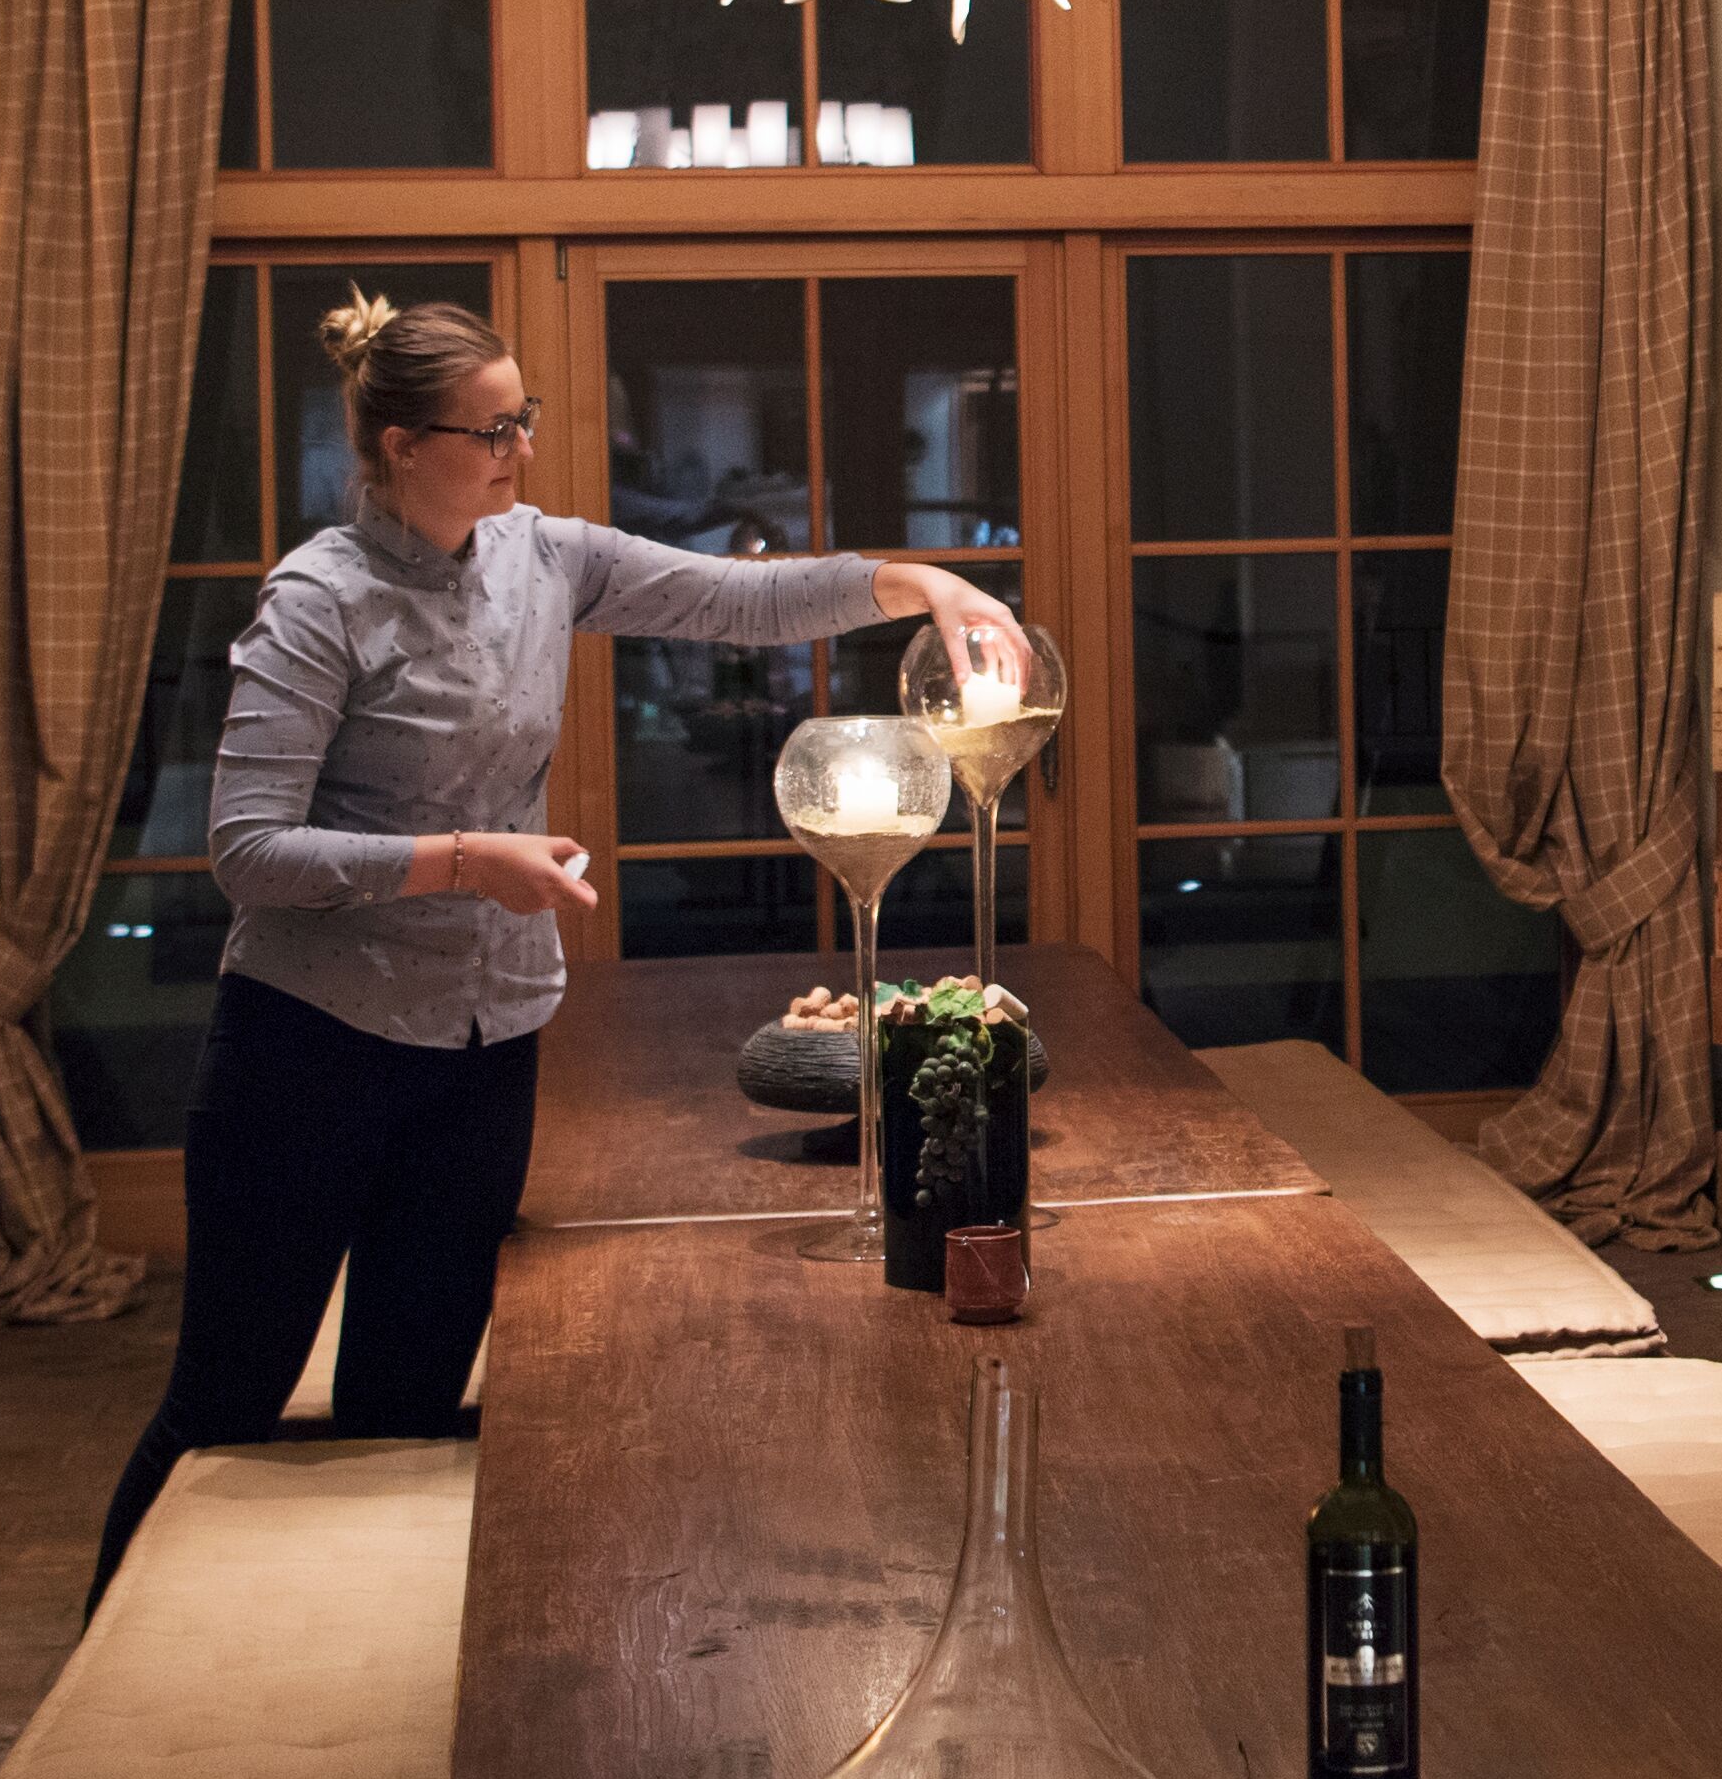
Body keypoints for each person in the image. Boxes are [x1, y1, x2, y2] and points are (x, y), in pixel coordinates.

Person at [89, 288, 1028, 1593]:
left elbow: (739, 601)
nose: (522, 449)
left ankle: (369, 1662)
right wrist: (465, 861)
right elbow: (246, 850)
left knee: (414, 1403)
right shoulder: (318, 602)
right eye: (492, 432)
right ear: (401, 446)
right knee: (225, 1398)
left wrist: (920, 582)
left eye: (521, 419)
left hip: (486, 1047)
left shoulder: (544, 557)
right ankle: (105, 1669)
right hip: (307, 1049)